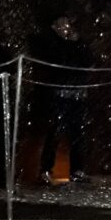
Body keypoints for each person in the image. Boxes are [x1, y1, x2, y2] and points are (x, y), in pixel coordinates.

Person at [34, 16, 93, 185]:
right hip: (58, 94)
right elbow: (57, 60)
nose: (66, 27)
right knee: (54, 132)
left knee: (78, 134)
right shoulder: (51, 42)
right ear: (55, 26)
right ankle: (45, 170)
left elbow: (89, 61)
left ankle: (77, 170)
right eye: (62, 24)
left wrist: (78, 42)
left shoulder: (78, 43)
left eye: (67, 24)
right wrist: (68, 43)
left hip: (77, 94)